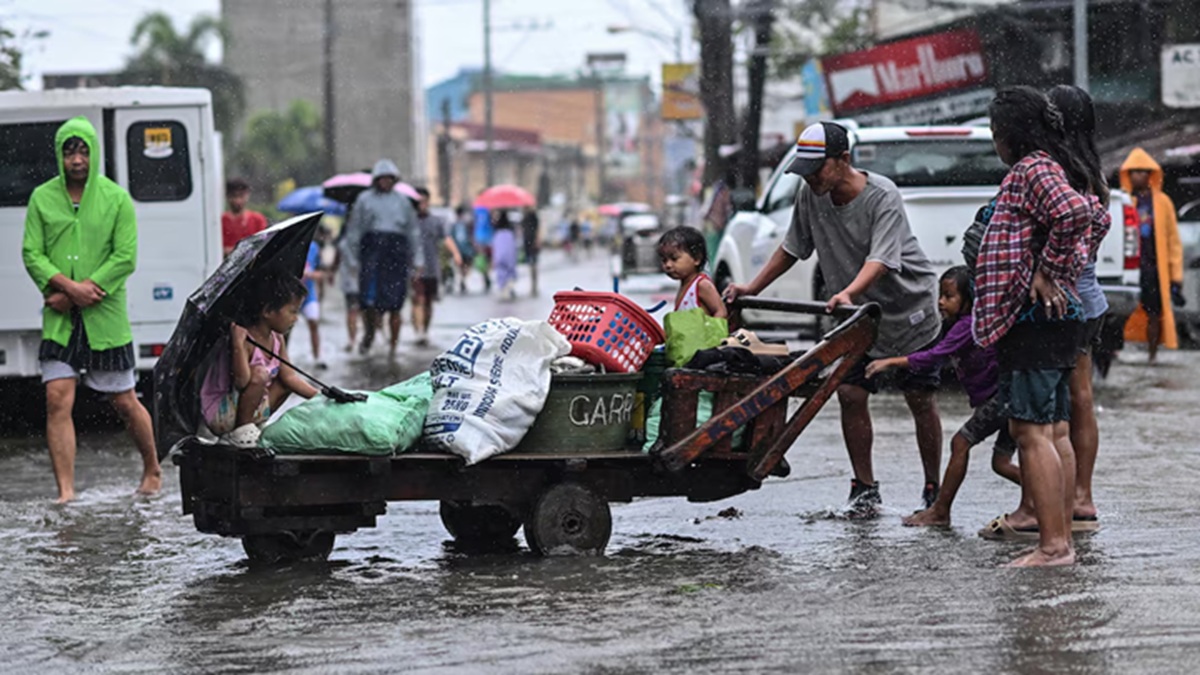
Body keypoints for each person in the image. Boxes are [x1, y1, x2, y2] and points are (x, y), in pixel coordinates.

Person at [724, 121, 944, 517]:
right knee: (850, 394)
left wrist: (848, 291)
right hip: (858, 316)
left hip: (907, 308)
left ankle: (933, 485)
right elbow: (792, 247)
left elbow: (880, 259)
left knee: (919, 398)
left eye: (817, 168)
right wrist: (751, 287)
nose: (809, 178)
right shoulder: (811, 195)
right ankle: (864, 487)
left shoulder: (882, 196)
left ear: (844, 159)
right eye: (804, 171)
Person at [974, 86, 1097, 567]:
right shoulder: (1060, 165)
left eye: (994, 133)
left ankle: (1053, 546)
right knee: (1055, 430)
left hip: (1035, 319)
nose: (993, 142)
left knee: (1031, 433)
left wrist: (1048, 270)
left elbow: (1076, 214)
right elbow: (1094, 216)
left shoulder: (1033, 168)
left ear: (1010, 135)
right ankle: (1059, 537)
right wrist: (1061, 266)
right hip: (1056, 319)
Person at [22, 116, 162, 503]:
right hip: (60, 319)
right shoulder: (41, 199)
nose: (77, 159)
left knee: (124, 400)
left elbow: (125, 257)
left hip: (106, 316)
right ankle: (65, 491)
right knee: (57, 398)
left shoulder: (116, 199)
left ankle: (152, 467)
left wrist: (84, 292)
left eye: (83, 151)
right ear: (59, 156)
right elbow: (32, 253)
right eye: (69, 152)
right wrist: (67, 289)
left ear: (94, 154)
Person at [866, 266, 1019, 527]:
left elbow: (934, 356)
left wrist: (891, 361)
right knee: (1001, 462)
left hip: (1000, 399)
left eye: (949, 296)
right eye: (940, 295)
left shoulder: (967, 325)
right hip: (1007, 396)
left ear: (968, 300)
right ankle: (1054, 494)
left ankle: (940, 512)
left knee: (960, 443)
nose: (940, 302)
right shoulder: (968, 323)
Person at [200, 274, 319, 448]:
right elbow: (242, 382)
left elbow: (290, 378)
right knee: (259, 374)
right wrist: (238, 345)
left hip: (247, 408)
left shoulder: (278, 339)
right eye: (292, 311)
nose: (296, 318)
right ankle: (241, 430)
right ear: (268, 311)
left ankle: (252, 424)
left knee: (285, 383)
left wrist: (323, 397)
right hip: (222, 413)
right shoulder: (244, 339)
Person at [342, 159, 418, 358]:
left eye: (389, 178)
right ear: (376, 179)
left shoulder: (403, 202)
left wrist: (418, 260)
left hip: (396, 254)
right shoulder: (364, 199)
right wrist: (352, 259)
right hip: (372, 253)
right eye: (382, 178)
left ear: (394, 179)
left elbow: (413, 232)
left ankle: (393, 346)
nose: (385, 182)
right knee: (369, 300)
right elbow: (354, 231)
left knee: (396, 303)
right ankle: (369, 334)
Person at [1120, 147, 1183, 364]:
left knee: (1154, 312)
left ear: (1150, 174)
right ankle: (1115, 351)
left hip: (1153, 266)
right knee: (1119, 312)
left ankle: (1152, 354)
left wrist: (1176, 276)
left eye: (1142, 171)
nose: (1137, 175)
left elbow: (1173, 240)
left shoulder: (1163, 203)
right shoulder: (1123, 201)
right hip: (1128, 265)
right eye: (1133, 171)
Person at [412, 187, 461, 347]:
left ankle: (424, 330)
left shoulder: (436, 221)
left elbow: (446, 238)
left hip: (432, 267)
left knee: (428, 302)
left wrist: (456, 254)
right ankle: (418, 331)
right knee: (418, 299)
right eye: (419, 201)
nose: (422, 204)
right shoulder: (409, 222)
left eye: (424, 201)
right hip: (413, 269)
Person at [658, 226, 727, 318]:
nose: (668, 265)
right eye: (664, 260)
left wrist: (709, 331)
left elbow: (721, 311)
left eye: (674, 259)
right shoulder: (685, 285)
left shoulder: (702, 285)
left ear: (696, 258)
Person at [332, 215, 361, 352]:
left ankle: (355, 339)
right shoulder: (345, 240)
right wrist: (332, 272)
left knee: (356, 311)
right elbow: (337, 259)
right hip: (351, 281)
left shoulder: (362, 237)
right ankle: (353, 339)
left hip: (360, 280)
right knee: (353, 310)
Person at [221, 178, 268, 257]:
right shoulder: (221, 221)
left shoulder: (258, 220)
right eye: (234, 196)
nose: (237, 201)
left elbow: (263, 245)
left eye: (241, 196)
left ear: (247, 195)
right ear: (227, 196)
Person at [302, 240, 325, 369]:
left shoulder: (314, 247)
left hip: (309, 295)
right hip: (289, 295)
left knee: (314, 322)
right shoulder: (289, 245)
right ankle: (283, 358)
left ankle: (318, 357)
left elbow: (320, 272)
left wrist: (310, 274)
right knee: (285, 330)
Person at [492, 210, 518, 301]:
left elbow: (495, 246)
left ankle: (502, 290)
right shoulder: (510, 230)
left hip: (499, 255)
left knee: (501, 272)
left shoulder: (497, 230)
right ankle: (508, 289)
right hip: (509, 255)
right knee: (509, 271)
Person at [449, 205, 476, 294]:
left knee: (463, 266)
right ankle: (462, 280)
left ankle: (462, 280)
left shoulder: (459, 224)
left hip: (462, 249)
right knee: (464, 266)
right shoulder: (463, 224)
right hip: (463, 249)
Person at [522, 207, 542, 296]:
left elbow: (537, 228)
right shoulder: (523, 217)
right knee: (530, 264)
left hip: (532, 241)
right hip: (527, 242)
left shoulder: (533, 216)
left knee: (533, 264)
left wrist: (537, 240)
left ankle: (534, 285)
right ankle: (532, 285)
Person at [474, 202, 494, 292]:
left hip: (480, 237)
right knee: (486, 259)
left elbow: (474, 223)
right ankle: (486, 276)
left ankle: (486, 276)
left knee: (484, 259)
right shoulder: (489, 208)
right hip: (488, 237)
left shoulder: (476, 209)